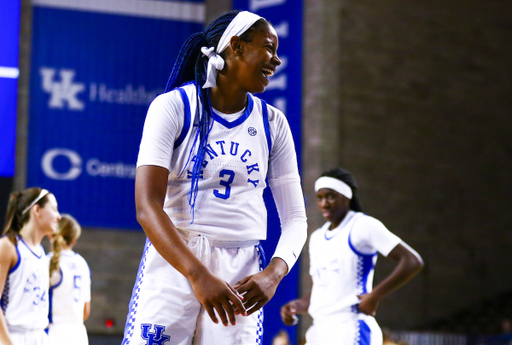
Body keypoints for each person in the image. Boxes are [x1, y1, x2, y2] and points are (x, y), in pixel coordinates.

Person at [121, 10, 307, 345]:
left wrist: (273, 275)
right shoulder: (174, 107)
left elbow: (295, 218)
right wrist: (197, 274)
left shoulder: (273, 123)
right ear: (235, 46)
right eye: (268, 48)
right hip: (177, 260)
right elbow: (147, 207)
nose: (276, 61)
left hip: (241, 268)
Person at [280, 168, 424, 345]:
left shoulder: (363, 225)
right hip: (320, 330)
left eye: (331, 196)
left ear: (346, 196)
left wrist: (375, 295)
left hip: (351, 327)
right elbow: (323, 289)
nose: (324, 203)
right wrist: (297, 306)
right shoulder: (317, 237)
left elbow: (412, 261)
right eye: (320, 198)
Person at [0, 187, 61, 345]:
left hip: (40, 336)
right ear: (36, 210)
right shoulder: (8, 246)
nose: (59, 216)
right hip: (13, 336)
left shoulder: (41, 252)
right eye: (54, 209)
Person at [47, 214, 91, 345]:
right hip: (78, 334)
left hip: (53, 334)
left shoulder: (46, 262)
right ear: (74, 239)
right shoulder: (82, 263)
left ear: (51, 235)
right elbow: (86, 311)